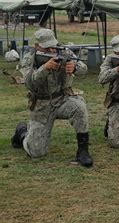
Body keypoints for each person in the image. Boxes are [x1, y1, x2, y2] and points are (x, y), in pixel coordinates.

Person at [11, 29, 93, 167]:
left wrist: (74, 68)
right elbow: (29, 83)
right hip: (41, 105)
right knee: (36, 152)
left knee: (80, 107)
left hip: (62, 99)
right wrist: (45, 68)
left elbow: (83, 68)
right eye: (46, 47)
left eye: (52, 45)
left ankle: (83, 152)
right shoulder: (29, 58)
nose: (51, 49)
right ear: (37, 45)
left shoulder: (64, 51)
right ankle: (22, 133)